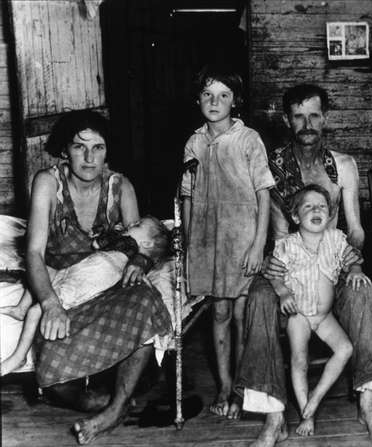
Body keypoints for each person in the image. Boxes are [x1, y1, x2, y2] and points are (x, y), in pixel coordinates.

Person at [235, 84, 372, 447]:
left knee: (364, 292)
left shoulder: (343, 165)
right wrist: (276, 277)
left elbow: (354, 229)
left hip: (330, 262)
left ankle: (367, 401)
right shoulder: (270, 165)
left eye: (314, 115)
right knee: (258, 300)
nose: (307, 124)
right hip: (284, 263)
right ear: (287, 120)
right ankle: (274, 415)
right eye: (298, 116)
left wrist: (351, 267)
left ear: (326, 117)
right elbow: (265, 229)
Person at [24, 109, 172, 444]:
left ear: (108, 151)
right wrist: (50, 304)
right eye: (80, 147)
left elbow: (144, 243)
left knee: (146, 298)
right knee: (54, 380)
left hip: (107, 286)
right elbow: (33, 252)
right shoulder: (48, 183)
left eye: (99, 147)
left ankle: (114, 409)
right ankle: (104, 400)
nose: (89, 158)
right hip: (65, 289)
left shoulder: (121, 187)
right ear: (65, 150)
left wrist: (139, 262)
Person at [180, 65, 275, 419]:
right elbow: (187, 197)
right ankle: (223, 384)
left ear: (236, 101)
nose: (214, 101)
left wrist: (258, 244)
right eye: (207, 94)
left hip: (242, 240)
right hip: (209, 241)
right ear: (198, 99)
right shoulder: (194, 142)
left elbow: (263, 193)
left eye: (223, 95)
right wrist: (191, 245)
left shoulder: (248, 139)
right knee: (218, 311)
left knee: (241, 313)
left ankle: (241, 389)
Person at [0, 216, 170, 376]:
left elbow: (97, 244)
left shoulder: (129, 244)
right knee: (41, 270)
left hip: (88, 277)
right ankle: (20, 309)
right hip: (80, 271)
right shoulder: (132, 257)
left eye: (138, 225)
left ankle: (18, 357)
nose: (131, 224)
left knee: (36, 311)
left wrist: (103, 235)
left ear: (146, 243)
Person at [271, 184, 371, 436]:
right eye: (308, 207)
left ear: (329, 213)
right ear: (295, 217)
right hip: (299, 316)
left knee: (346, 348)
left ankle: (315, 397)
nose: (316, 210)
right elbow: (274, 275)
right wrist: (283, 293)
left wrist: (356, 271)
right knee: (299, 359)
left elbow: (353, 258)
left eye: (322, 207)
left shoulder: (336, 239)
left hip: (325, 316)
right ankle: (307, 414)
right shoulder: (287, 245)